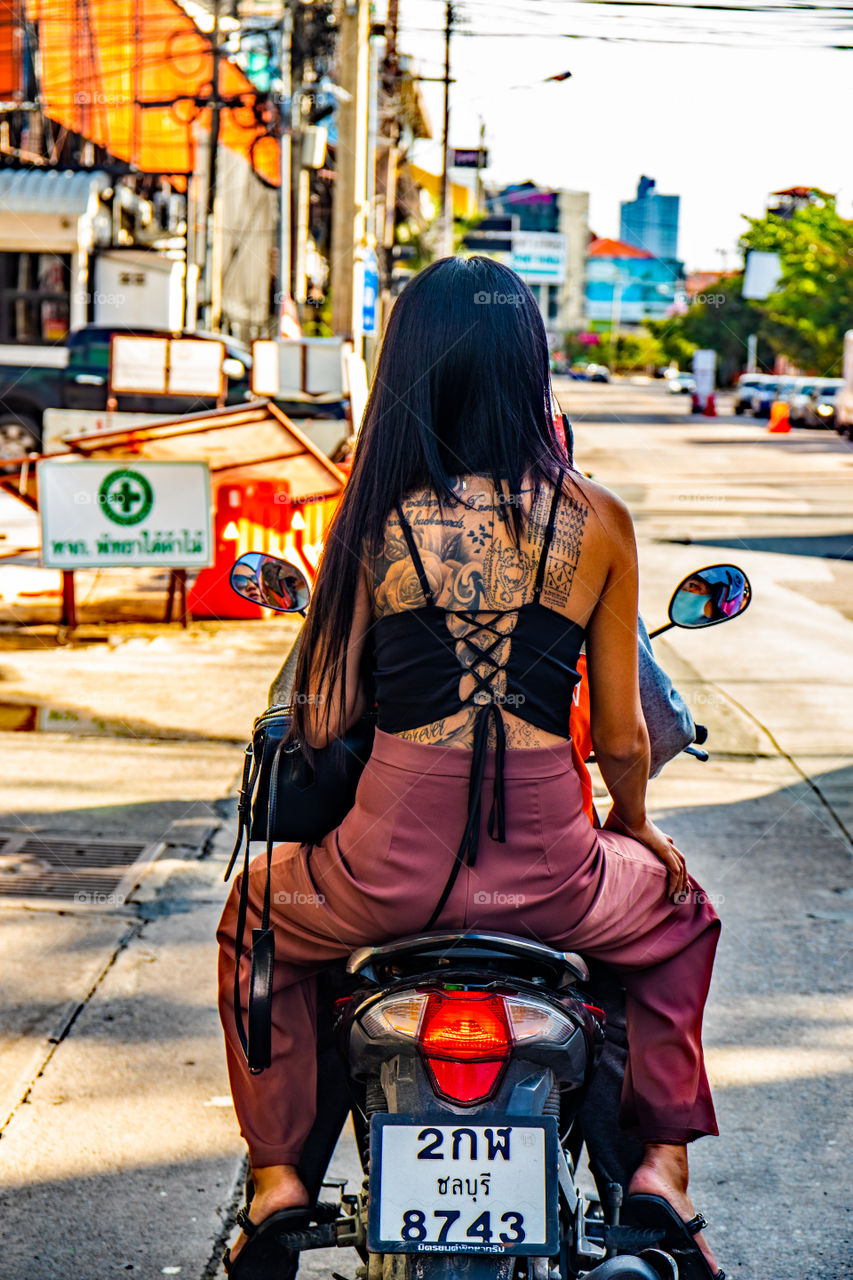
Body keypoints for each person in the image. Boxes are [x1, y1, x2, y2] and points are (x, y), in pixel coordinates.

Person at [217, 256, 723, 1278]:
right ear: (527, 368)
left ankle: (278, 1178)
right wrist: (633, 826)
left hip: (382, 866)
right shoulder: (599, 520)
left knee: (252, 914)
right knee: (682, 915)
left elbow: (325, 708)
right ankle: (659, 1169)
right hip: (550, 871)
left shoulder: (371, 520)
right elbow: (622, 736)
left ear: (409, 366)